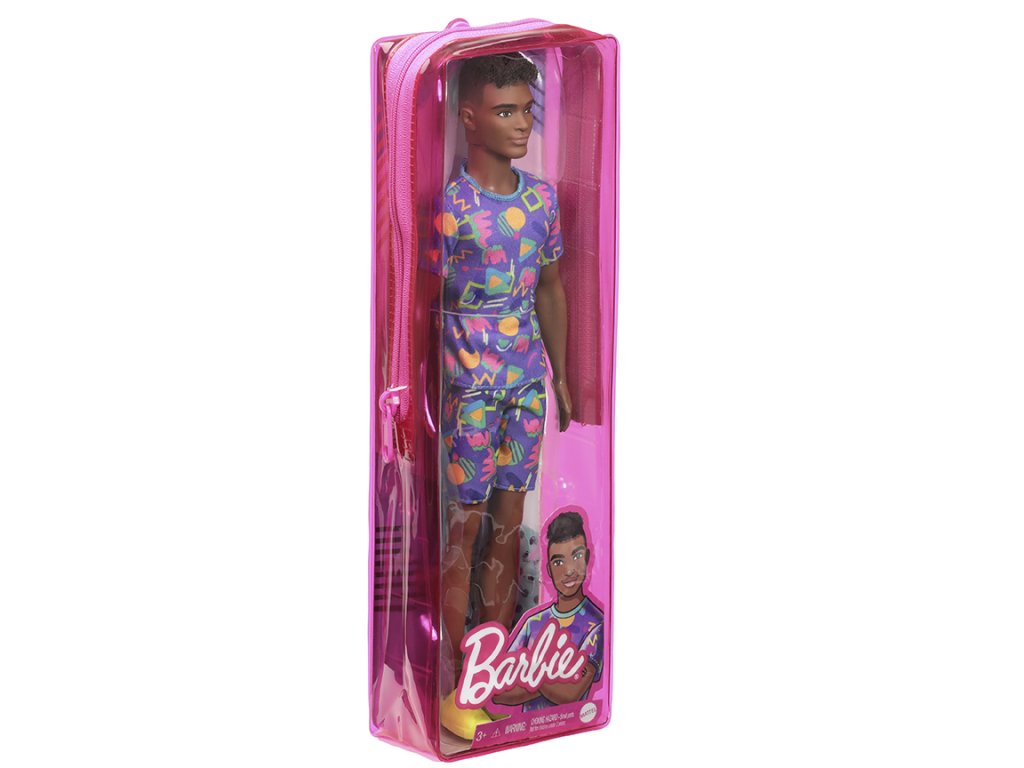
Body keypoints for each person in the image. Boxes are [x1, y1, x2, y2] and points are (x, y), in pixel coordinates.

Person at [431, 52, 572, 740]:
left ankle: (489, 669)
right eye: (505, 111)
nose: (522, 125)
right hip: (469, 392)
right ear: (468, 117)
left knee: (510, 525)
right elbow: (421, 303)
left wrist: (564, 378)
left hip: (527, 386)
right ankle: (450, 675)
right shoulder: (452, 208)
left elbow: (550, 287)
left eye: (526, 110)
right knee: (463, 527)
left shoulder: (541, 200)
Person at [491, 508, 604, 711]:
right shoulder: (533, 622)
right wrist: (553, 676)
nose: (569, 570)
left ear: (587, 557)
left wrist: (530, 675)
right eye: (558, 562)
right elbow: (498, 691)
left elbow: (571, 693)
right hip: (526, 727)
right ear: (549, 568)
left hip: (571, 724)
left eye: (576, 556)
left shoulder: (595, 624)